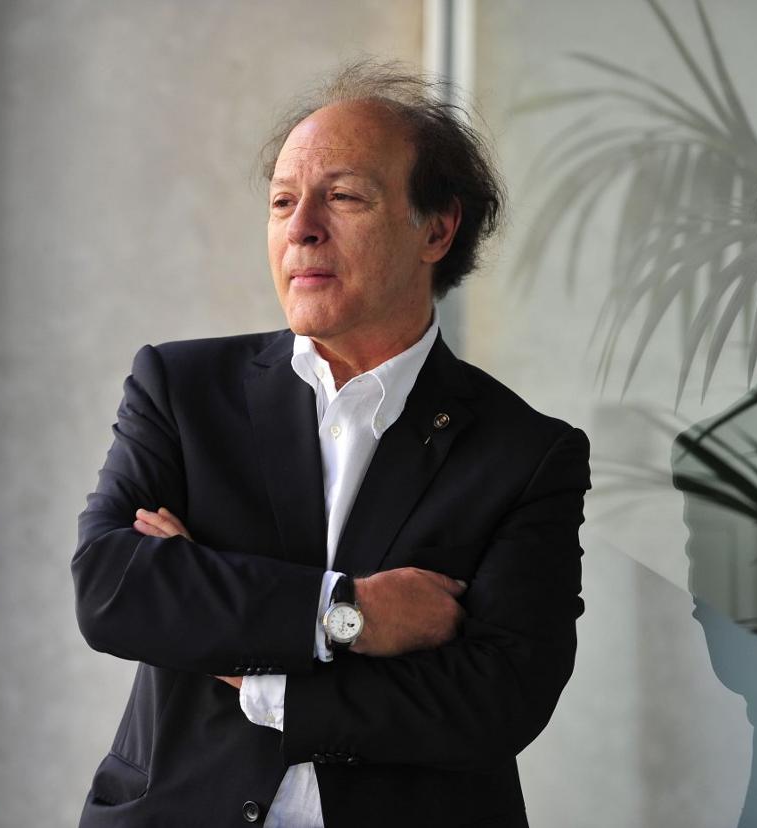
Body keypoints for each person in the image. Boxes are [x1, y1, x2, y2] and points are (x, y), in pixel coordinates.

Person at [71, 60, 591, 828]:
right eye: (283, 201)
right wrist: (349, 614)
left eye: (343, 197)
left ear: (437, 229)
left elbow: (496, 700)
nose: (301, 228)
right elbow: (113, 590)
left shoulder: (526, 453)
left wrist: (253, 671)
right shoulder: (182, 389)